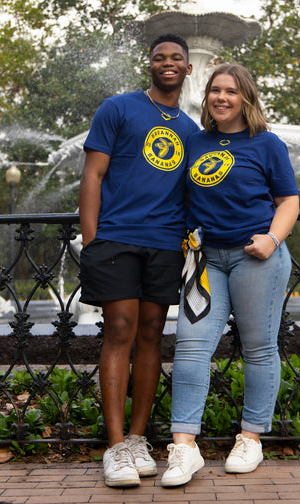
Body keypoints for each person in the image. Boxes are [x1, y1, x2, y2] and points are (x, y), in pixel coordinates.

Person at [161, 63, 300, 487]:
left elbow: (288, 200)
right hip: (204, 262)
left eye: (231, 92)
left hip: (254, 257)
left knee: (258, 349)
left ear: (246, 99)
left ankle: (251, 438)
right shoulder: (194, 141)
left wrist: (272, 241)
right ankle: (184, 448)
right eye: (215, 90)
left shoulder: (267, 144)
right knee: (190, 347)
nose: (221, 98)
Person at [78, 33, 199, 488]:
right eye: (159, 58)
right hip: (117, 241)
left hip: (166, 244)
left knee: (151, 334)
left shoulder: (190, 130)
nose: (167, 63)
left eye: (176, 59)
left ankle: (136, 439)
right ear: (149, 66)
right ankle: (114, 450)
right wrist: (92, 241)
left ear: (189, 69)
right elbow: (93, 173)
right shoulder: (118, 108)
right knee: (120, 332)